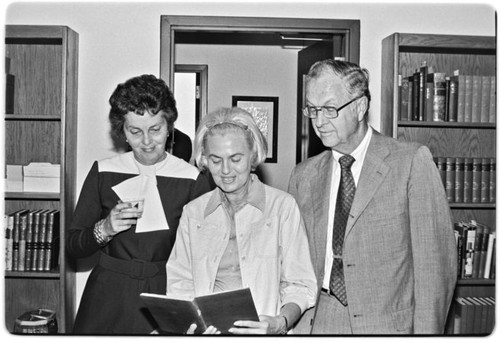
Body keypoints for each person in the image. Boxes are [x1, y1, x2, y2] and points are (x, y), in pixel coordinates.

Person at [288, 59, 457, 334]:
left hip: (388, 326)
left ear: (360, 107)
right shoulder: (303, 176)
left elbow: (435, 271)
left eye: (330, 109)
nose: (319, 121)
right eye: (313, 109)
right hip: (320, 322)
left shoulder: (411, 162)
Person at [66, 74, 212, 334]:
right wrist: (104, 229)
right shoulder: (103, 171)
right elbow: (73, 247)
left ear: (169, 127)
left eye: (155, 130)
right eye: (135, 131)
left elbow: (204, 258)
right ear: (122, 131)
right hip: (107, 295)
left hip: (164, 292)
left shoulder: (192, 179)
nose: (146, 142)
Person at [166, 107, 317, 334]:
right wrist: (189, 326)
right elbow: (180, 284)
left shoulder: (282, 208)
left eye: (235, 159)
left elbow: (300, 285)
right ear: (204, 160)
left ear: (253, 155)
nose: (226, 170)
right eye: (216, 160)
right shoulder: (193, 213)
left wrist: (279, 323)